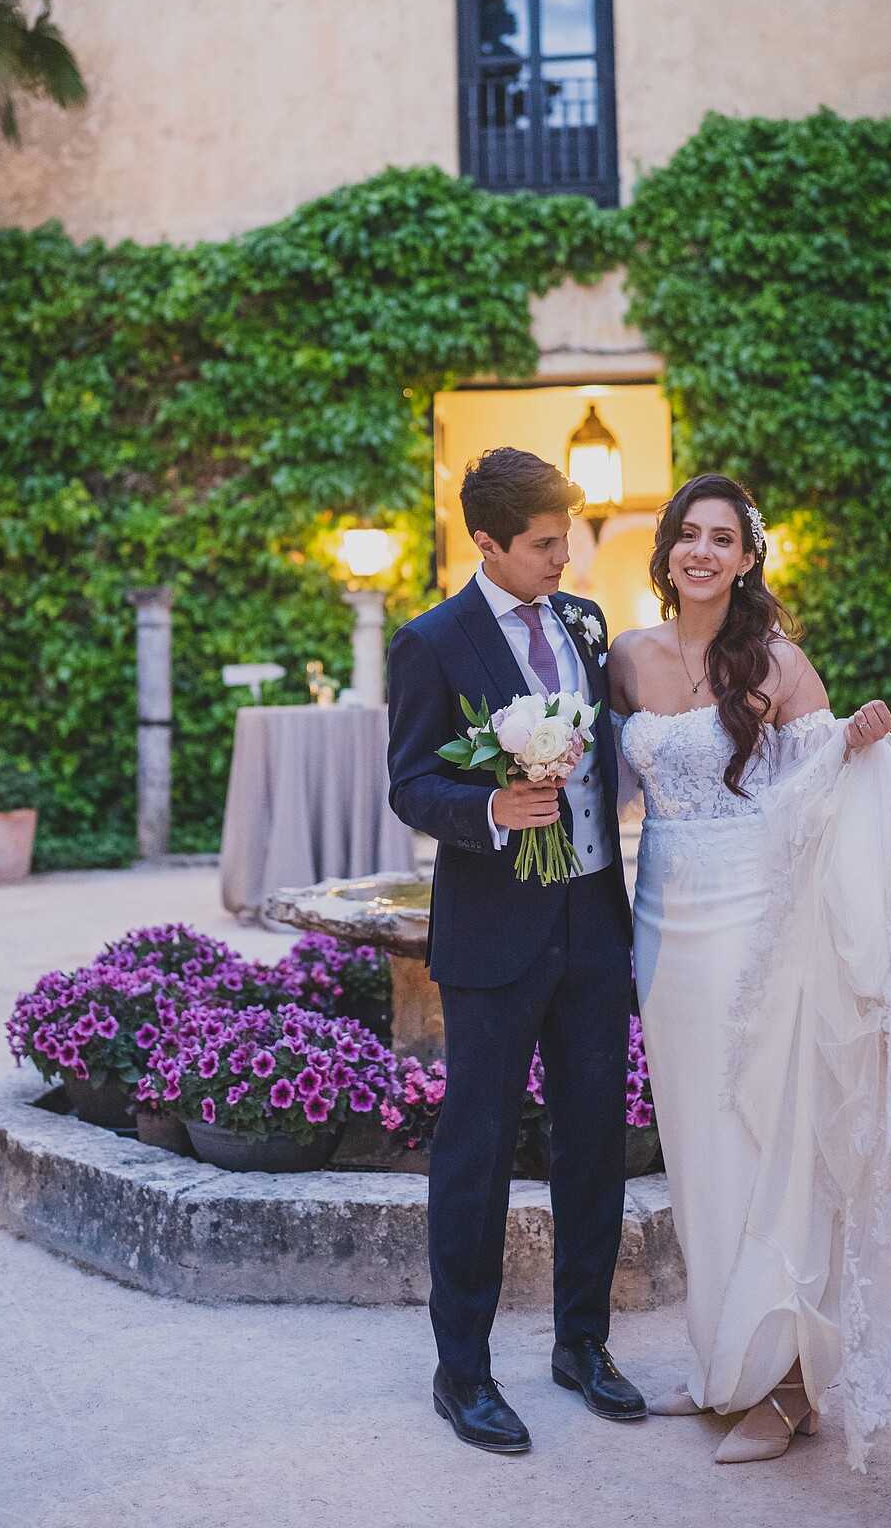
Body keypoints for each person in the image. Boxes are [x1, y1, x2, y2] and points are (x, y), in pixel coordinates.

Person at [611, 472, 891, 1468]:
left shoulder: (778, 660)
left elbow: (815, 788)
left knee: (769, 1141)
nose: (702, 550)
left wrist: (855, 740)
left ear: (746, 559)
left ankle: (788, 1387)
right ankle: (723, 1363)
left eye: (722, 537)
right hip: (664, 925)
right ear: (667, 551)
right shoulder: (626, 657)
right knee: (698, 1148)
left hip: (755, 924)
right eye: (687, 534)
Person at [387, 446, 643, 1454]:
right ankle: (464, 1373)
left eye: (567, 536)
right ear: (484, 542)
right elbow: (411, 783)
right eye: (543, 543)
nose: (563, 556)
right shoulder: (431, 643)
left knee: (595, 1142)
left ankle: (583, 1343)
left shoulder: (584, 620)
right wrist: (490, 804)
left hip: (592, 921)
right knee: (477, 1151)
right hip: (493, 933)